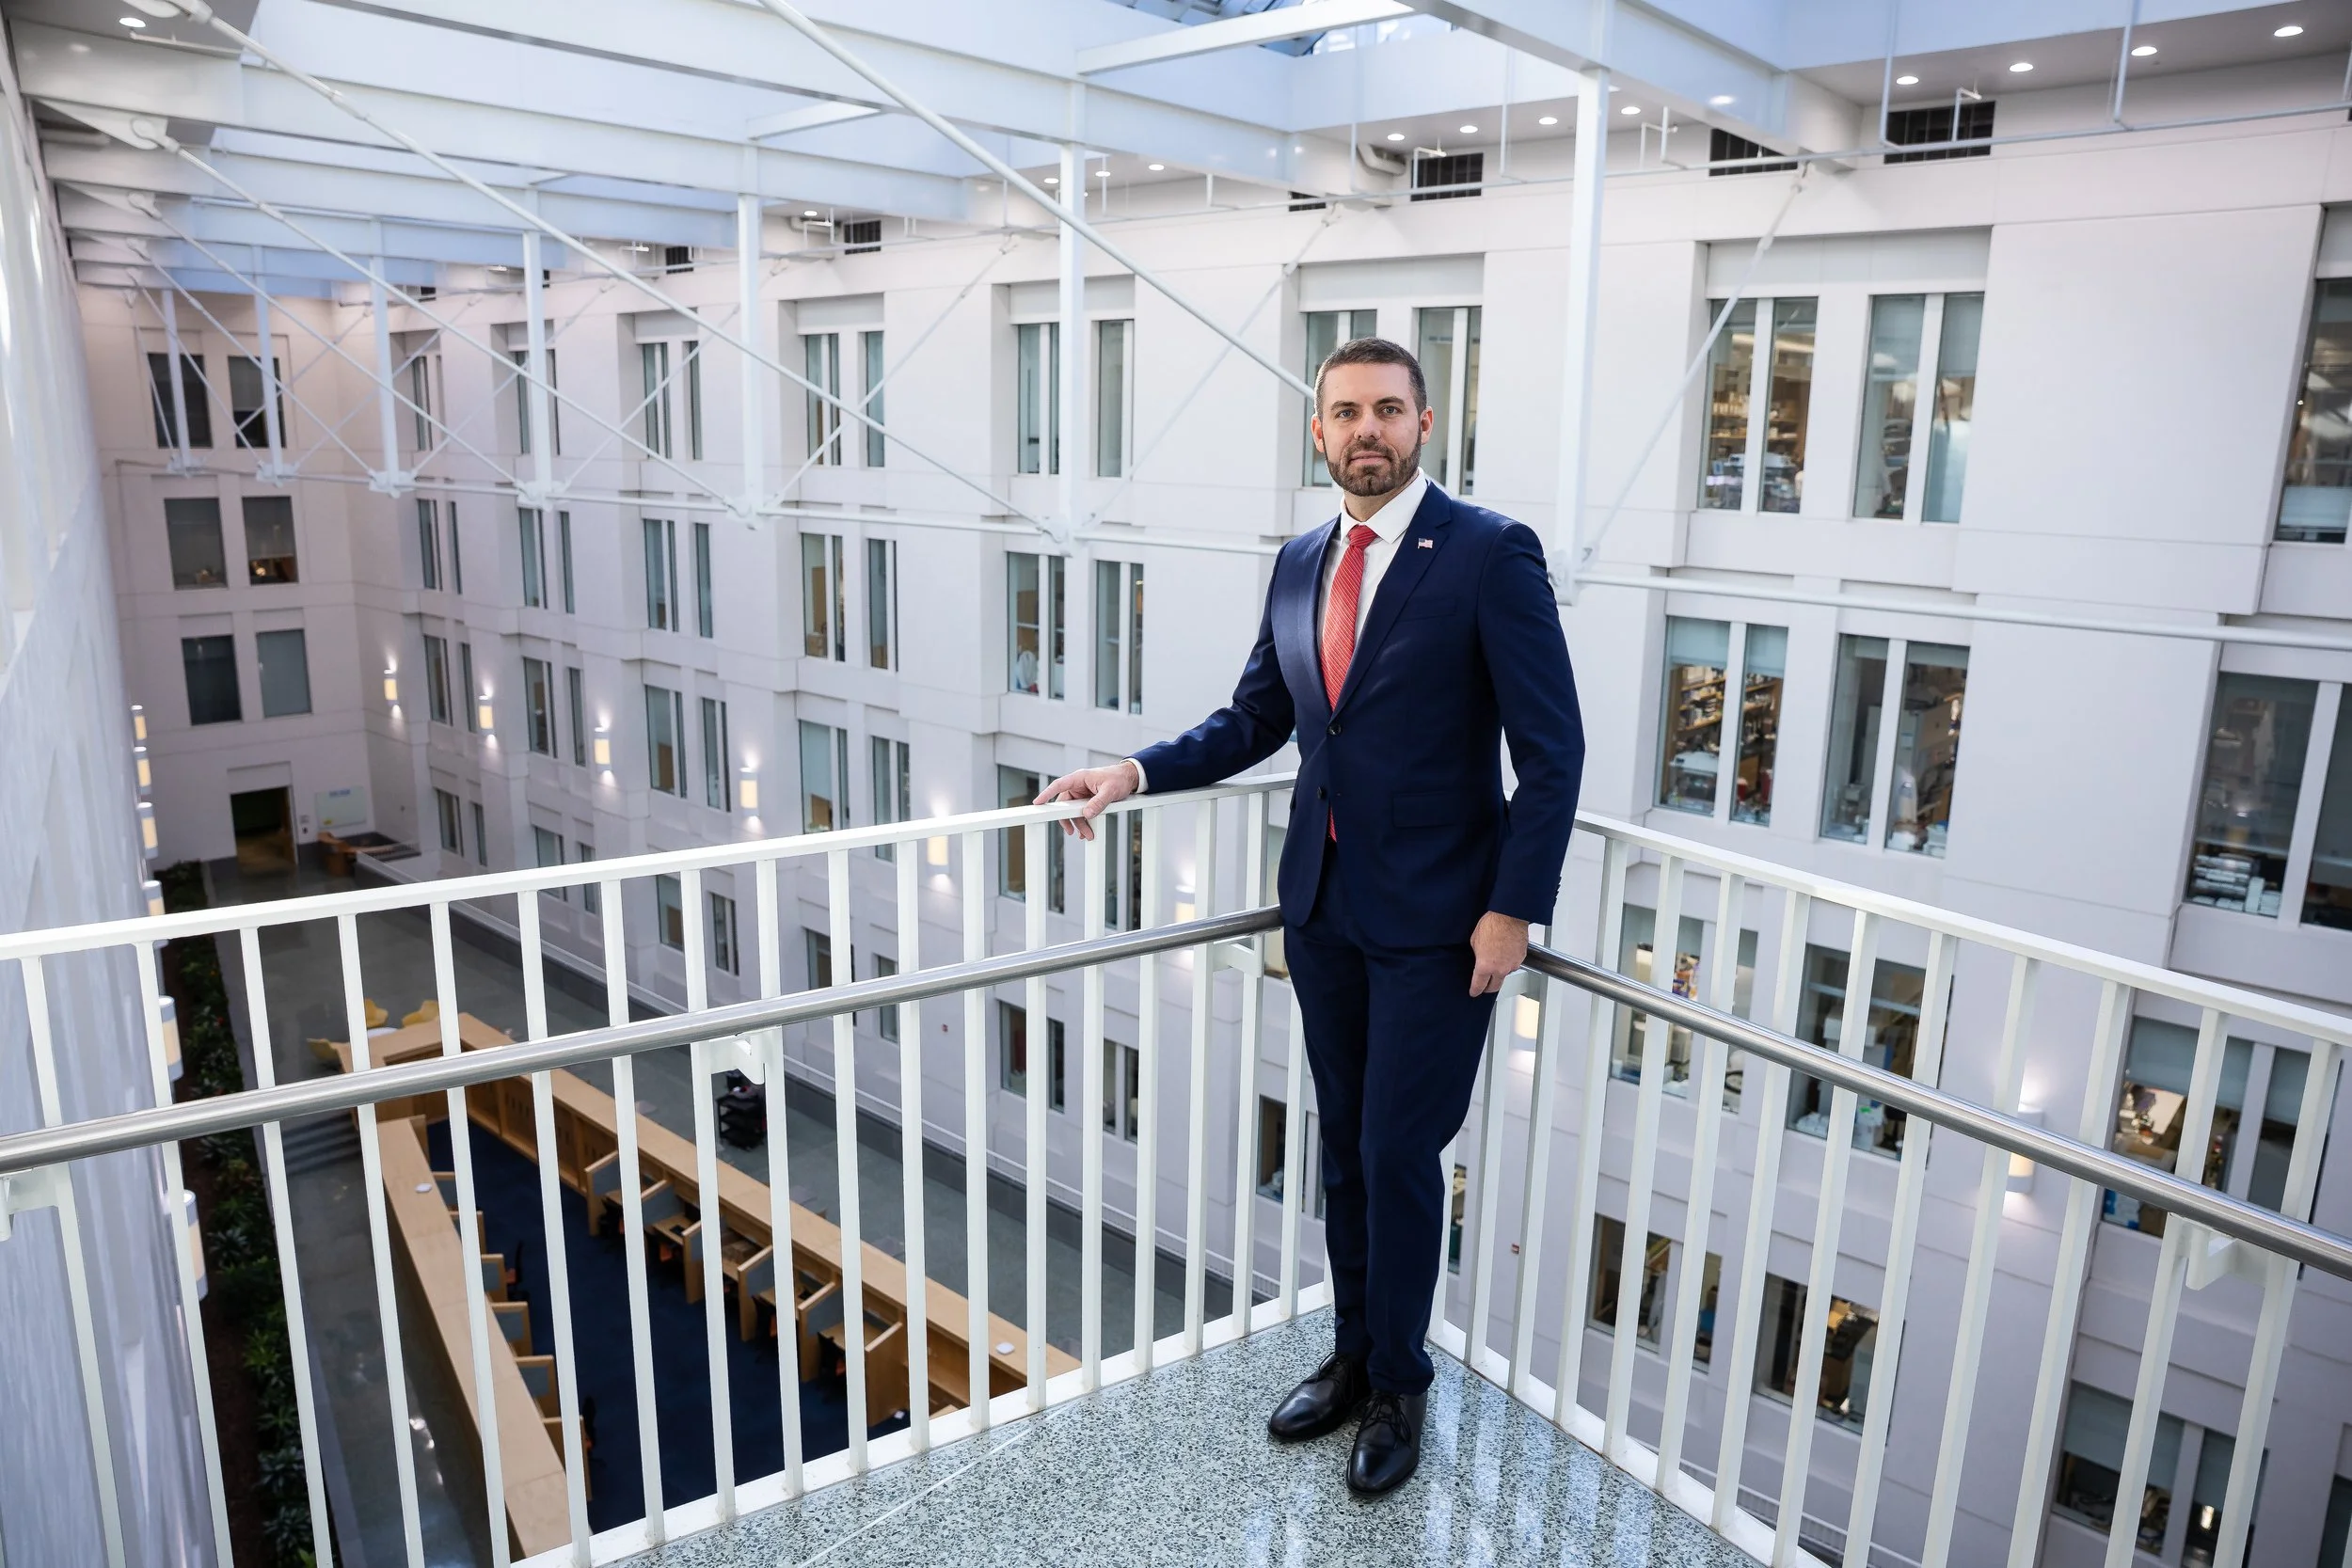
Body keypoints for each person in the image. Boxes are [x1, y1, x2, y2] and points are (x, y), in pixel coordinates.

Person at [1035, 337, 1584, 1496]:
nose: (1365, 430)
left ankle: (1399, 1385)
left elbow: (1552, 751)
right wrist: (1127, 774)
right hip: (1323, 910)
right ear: (1319, 431)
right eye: (1345, 413)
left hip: (1444, 922)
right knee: (1341, 1145)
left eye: (1388, 409)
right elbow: (1255, 720)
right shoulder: (1297, 560)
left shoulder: (1489, 553)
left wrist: (1513, 911)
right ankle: (1346, 1355)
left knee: (1397, 1150)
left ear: (1425, 424)